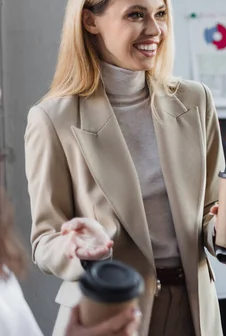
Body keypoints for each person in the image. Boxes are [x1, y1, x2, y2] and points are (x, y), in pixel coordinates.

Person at [24, 0, 226, 336]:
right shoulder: (54, 119)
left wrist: (223, 230)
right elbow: (44, 242)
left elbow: (209, 209)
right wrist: (78, 251)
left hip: (194, 309)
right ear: (90, 20)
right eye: (136, 15)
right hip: (109, 313)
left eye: (161, 14)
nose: (154, 29)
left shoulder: (195, 100)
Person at [0, 134, 141, 335]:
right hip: (109, 305)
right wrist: (78, 250)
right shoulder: (52, 117)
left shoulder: (4, 277)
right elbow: (45, 238)